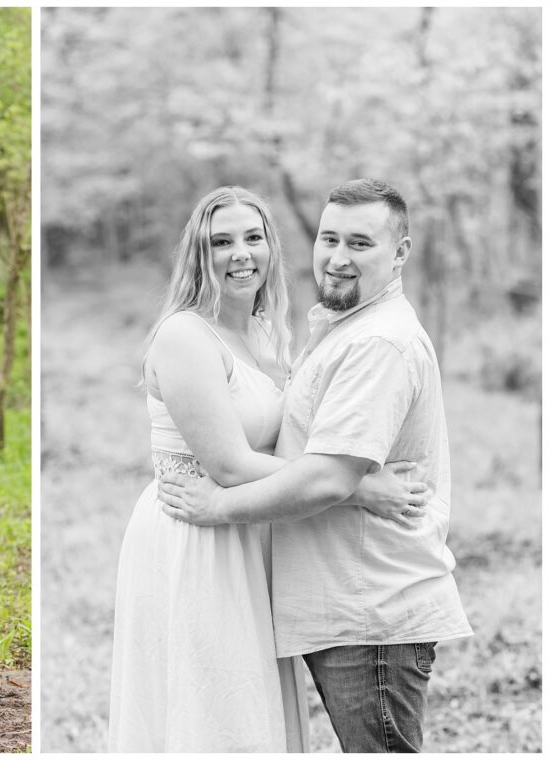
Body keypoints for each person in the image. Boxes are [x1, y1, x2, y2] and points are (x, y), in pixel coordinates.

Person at [159, 179, 473, 752]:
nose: (338, 257)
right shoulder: (332, 331)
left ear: (400, 252)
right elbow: (297, 456)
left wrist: (221, 504)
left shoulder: (378, 342)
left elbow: (328, 475)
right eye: (329, 238)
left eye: (360, 243)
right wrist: (361, 487)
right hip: (336, 603)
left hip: (371, 608)